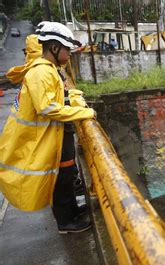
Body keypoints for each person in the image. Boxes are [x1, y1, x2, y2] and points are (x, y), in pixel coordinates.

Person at [0, 22, 96, 234]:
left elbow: (58, 98)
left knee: (67, 174)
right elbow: (48, 108)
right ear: (54, 48)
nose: (69, 54)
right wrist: (85, 112)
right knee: (61, 179)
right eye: (67, 49)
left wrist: (75, 98)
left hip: (55, 135)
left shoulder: (50, 70)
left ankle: (71, 210)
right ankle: (66, 222)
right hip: (47, 138)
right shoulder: (41, 73)